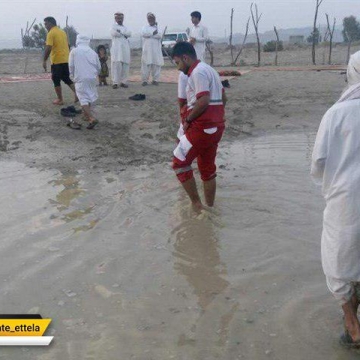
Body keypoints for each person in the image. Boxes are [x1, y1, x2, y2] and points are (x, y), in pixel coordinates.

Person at [311, 80, 360, 346]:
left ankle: (353, 326)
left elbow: (318, 164)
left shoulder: (336, 113)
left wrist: (328, 186)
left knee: (338, 263)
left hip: (346, 199)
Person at [171, 42, 226, 212]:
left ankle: (196, 204)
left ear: (185, 58)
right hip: (216, 126)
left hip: (201, 127)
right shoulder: (210, 70)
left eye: (177, 63)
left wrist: (188, 120)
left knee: (179, 162)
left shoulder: (197, 72)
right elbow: (224, 98)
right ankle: (210, 207)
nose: (178, 68)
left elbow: (203, 100)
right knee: (207, 169)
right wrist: (218, 118)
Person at [43, 16, 78, 105]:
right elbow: (68, 45)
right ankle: (78, 94)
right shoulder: (62, 32)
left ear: (51, 23)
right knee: (66, 78)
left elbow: (48, 47)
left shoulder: (51, 33)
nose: (45, 26)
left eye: (46, 24)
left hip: (57, 60)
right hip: (65, 59)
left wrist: (44, 60)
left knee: (55, 79)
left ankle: (60, 99)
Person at [69, 35, 101, 129]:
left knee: (83, 98)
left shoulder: (74, 51)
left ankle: (91, 118)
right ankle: (86, 115)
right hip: (91, 78)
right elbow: (98, 67)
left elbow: (71, 66)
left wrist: (72, 76)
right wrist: (94, 75)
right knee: (88, 96)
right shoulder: (93, 52)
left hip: (80, 78)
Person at [140, 12, 164, 86]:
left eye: (152, 18)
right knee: (145, 65)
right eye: (149, 18)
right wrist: (153, 34)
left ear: (154, 19)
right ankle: (144, 80)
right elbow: (144, 34)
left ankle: (155, 80)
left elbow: (159, 35)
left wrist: (150, 34)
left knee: (156, 65)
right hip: (147, 50)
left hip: (156, 50)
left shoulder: (158, 27)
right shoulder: (144, 27)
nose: (150, 19)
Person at [110, 12, 131, 89]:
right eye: (118, 18)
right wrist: (123, 34)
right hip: (117, 49)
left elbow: (129, 34)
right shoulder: (113, 26)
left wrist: (121, 32)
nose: (120, 20)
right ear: (115, 19)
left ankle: (123, 82)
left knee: (125, 65)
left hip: (125, 48)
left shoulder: (126, 27)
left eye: (121, 18)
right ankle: (115, 82)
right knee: (116, 65)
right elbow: (114, 34)